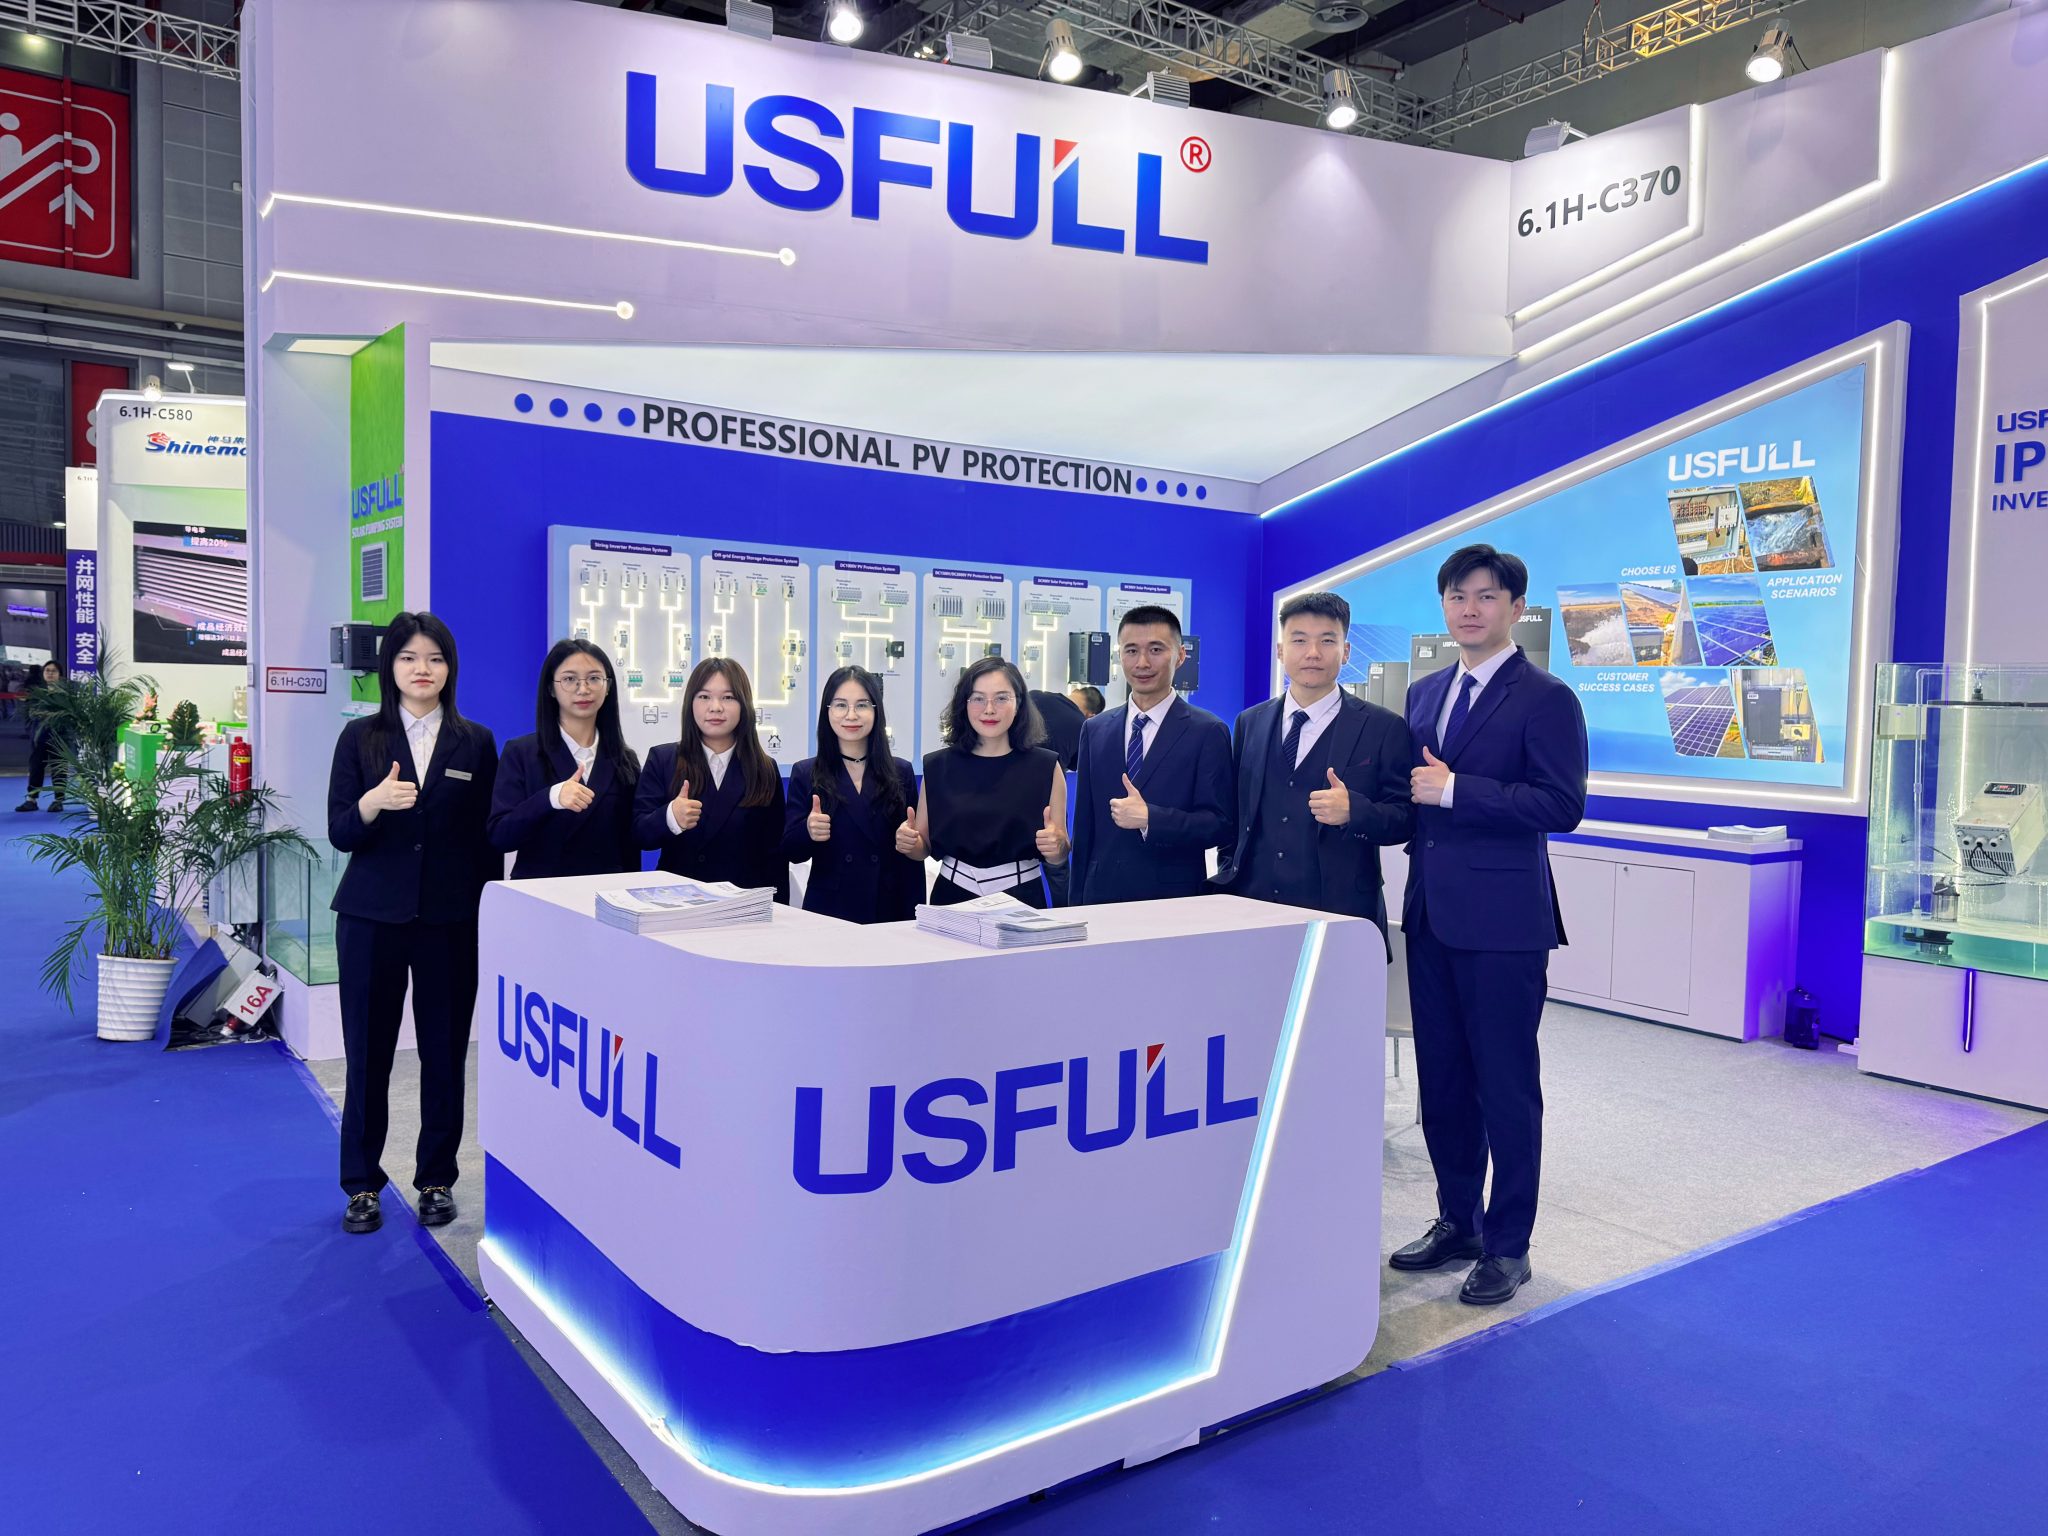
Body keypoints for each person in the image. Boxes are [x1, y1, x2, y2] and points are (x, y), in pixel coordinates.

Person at [1393, 544, 1588, 1307]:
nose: (1469, 609)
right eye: (1456, 596)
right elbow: (1410, 794)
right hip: (1430, 917)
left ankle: (1509, 1246)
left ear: (1515, 607)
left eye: (1484, 596)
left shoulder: (1547, 698)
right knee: (1442, 1082)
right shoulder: (1424, 693)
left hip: (1506, 925)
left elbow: (1560, 805)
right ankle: (1459, 1221)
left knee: (1505, 1087)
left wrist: (1458, 791)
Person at [326, 612, 499, 1236]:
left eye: (434, 658)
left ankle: (436, 1179)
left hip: (449, 921)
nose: (421, 669)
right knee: (367, 1054)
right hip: (371, 917)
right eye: (408, 658)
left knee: (445, 1053)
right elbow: (340, 831)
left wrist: (487, 913)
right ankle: (361, 1185)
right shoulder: (360, 738)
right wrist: (372, 803)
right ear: (389, 667)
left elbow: (487, 838)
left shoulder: (475, 741)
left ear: (450, 668)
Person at [1214, 592, 1412, 934]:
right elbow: (1234, 812)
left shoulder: (1383, 727)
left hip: (1341, 914)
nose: (1313, 653)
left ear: (1345, 651)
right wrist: (1229, 867)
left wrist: (1355, 811)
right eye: (1300, 640)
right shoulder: (1250, 722)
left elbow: (1406, 818)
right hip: (1251, 908)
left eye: (1327, 640)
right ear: (1281, 650)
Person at [1069, 606, 1231, 906]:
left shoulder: (1208, 731)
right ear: (1119, 655)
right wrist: (1076, 906)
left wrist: (1151, 819)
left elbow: (1218, 824)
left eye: (1156, 649)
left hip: (1173, 901)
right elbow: (1084, 828)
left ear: (1180, 655)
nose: (1142, 662)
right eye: (1131, 650)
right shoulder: (1095, 729)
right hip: (1101, 898)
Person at [633, 657, 789, 901]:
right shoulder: (663, 759)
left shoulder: (764, 769)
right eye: (704, 696)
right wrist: (671, 817)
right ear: (690, 703)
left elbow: (775, 854)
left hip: (741, 906)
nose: (715, 707)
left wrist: (777, 911)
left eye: (728, 697)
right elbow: (640, 834)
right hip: (678, 902)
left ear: (744, 705)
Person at [919, 656, 1067, 908]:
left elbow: (1060, 851)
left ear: (1019, 703)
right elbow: (921, 847)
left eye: (1001, 698)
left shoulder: (1045, 766)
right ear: (964, 704)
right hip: (952, 894)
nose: (989, 709)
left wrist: (1057, 847)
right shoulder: (937, 766)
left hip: (1021, 895)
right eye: (978, 698)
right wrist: (911, 843)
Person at [783, 666, 926, 923]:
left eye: (862, 705)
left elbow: (916, 850)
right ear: (827, 711)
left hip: (888, 909)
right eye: (840, 705)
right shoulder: (806, 772)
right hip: (831, 911)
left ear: (876, 711)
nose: (851, 715)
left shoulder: (901, 771)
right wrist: (808, 831)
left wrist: (911, 842)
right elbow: (791, 850)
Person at [488, 638, 641, 879]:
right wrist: (551, 798)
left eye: (594, 678)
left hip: (604, 893)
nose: (583, 689)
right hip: (542, 894)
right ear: (551, 688)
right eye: (570, 679)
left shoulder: (625, 759)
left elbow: (631, 846)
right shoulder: (521, 752)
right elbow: (500, 835)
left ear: (608, 686)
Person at [15, 659, 66, 813]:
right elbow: (30, 712)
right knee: (36, 767)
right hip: (39, 736)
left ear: (59, 675)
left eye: (54, 671)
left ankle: (58, 800)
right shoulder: (37, 693)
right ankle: (31, 800)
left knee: (59, 769)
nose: (50, 673)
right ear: (43, 673)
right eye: (47, 670)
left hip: (59, 737)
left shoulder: (65, 694)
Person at [1030, 686, 1087, 773]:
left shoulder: (1034, 695)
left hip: (1013, 766)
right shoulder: (1083, 726)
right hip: (1049, 776)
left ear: (1074, 691)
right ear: (1091, 715)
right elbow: (1073, 764)